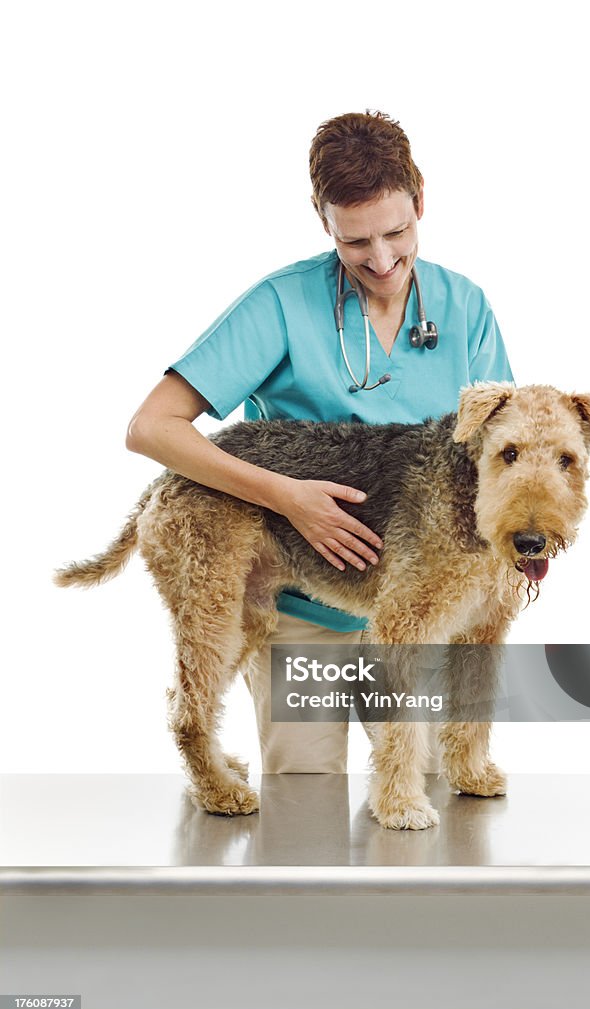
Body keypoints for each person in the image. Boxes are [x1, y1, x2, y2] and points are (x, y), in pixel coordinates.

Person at [126, 110, 513, 774]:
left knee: (426, 791)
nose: (383, 260)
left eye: (397, 231)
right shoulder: (279, 304)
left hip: (425, 601)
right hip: (308, 604)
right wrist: (285, 497)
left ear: (420, 201)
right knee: (304, 798)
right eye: (354, 242)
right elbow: (151, 427)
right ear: (322, 220)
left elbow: (497, 453)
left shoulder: (463, 305)